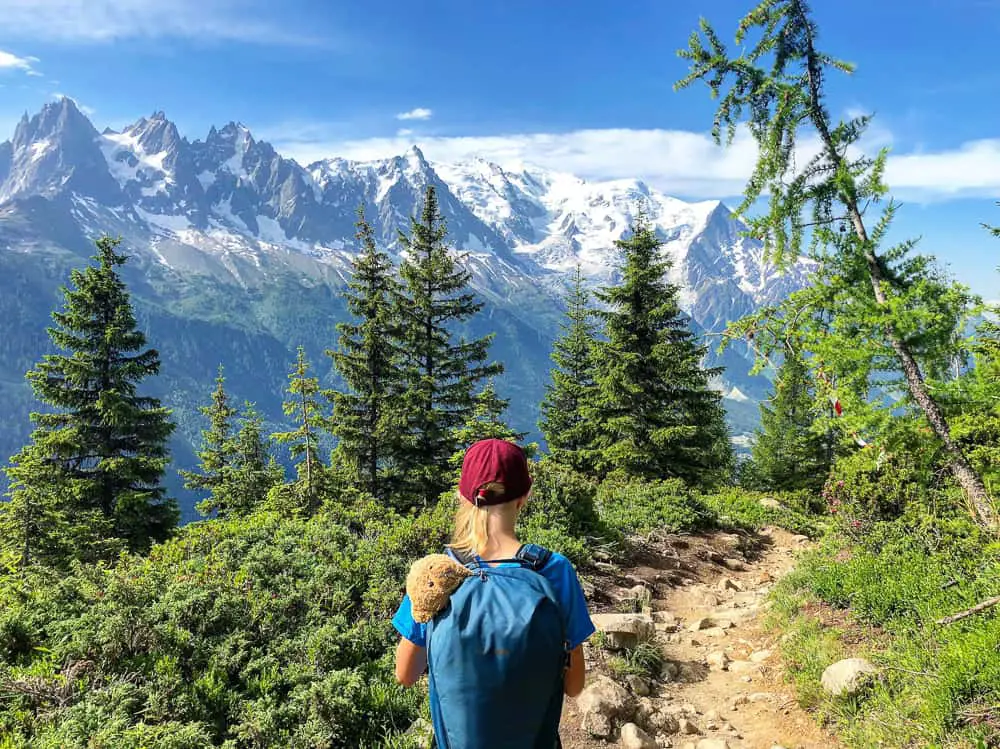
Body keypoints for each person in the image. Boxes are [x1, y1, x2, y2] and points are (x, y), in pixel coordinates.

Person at [392, 438, 595, 747]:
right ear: (524, 497)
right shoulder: (554, 571)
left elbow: (406, 674)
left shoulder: (436, 573)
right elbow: (574, 685)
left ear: (463, 497)